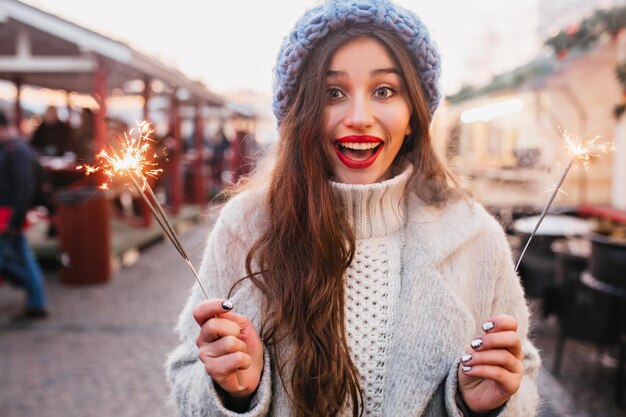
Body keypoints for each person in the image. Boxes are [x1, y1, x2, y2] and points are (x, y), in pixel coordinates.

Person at [166, 1, 540, 416]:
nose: (359, 117)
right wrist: (235, 394)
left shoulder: (474, 235)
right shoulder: (247, 227)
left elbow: (524, 378)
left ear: (414, 113)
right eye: (333, 93)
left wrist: (482, 405)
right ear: (300, 112)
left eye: (384, 91)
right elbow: (187, 376)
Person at [0, 110, 49, 320]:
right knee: (22, 256)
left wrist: (15, 219)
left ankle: (34, 293)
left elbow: (24, 187)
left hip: (10, 213)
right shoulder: (9, 148)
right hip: (7, 212)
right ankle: (36, 298)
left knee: (12, 258)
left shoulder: (16, 149)